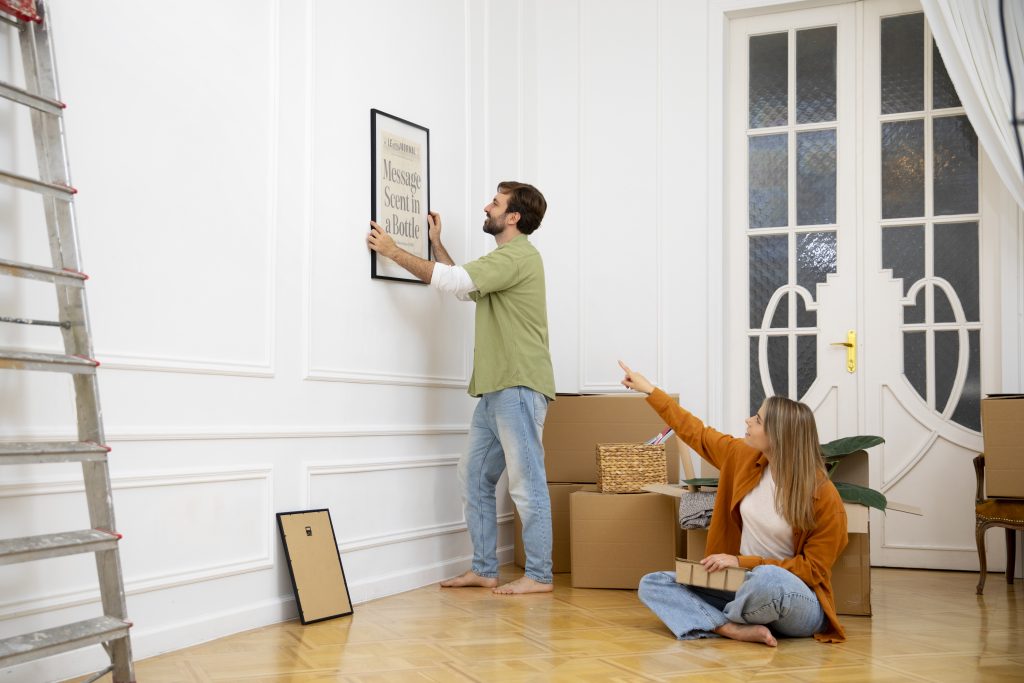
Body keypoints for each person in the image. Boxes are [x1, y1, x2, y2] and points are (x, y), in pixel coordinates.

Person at [367, 182, 556, 595]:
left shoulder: (518, 256)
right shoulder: (504, 260)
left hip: (518, 386)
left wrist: (392, 251)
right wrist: (438, 244)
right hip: (495, 388)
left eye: (496, 202)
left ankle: (540, 576)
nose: (486, 206)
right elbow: (466, 286)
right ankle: (485, 568)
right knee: (472, 475)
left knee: (527, 483)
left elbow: (456, 283)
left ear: (513, 218)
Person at [617, 360, 848, 645]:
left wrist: (742, 562)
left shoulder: (823, 495)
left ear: (779, 435)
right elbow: (696, 432)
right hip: (738, 585)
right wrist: (649, 390)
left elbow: (813, 571)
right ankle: (730, 628)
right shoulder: (741, 456)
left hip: (794, 599)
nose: (748, 421)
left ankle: (707, 617)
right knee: (654, 583)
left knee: (767, 578)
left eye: (758, 419)